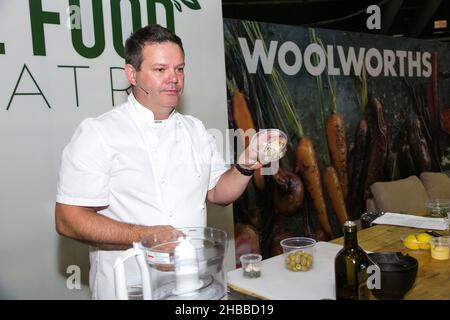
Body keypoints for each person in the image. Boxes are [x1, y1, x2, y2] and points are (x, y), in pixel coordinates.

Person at [55, 24, 264, 299]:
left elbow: (218, 193)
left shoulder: (195, 130)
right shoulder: (99, 133)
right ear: (132, 74)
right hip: (127, 289)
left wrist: (246, 163)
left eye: (179, 69)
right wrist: (145, 235)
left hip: (193, 287)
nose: (173, 78)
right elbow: (68, 219)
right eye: (160, 69)